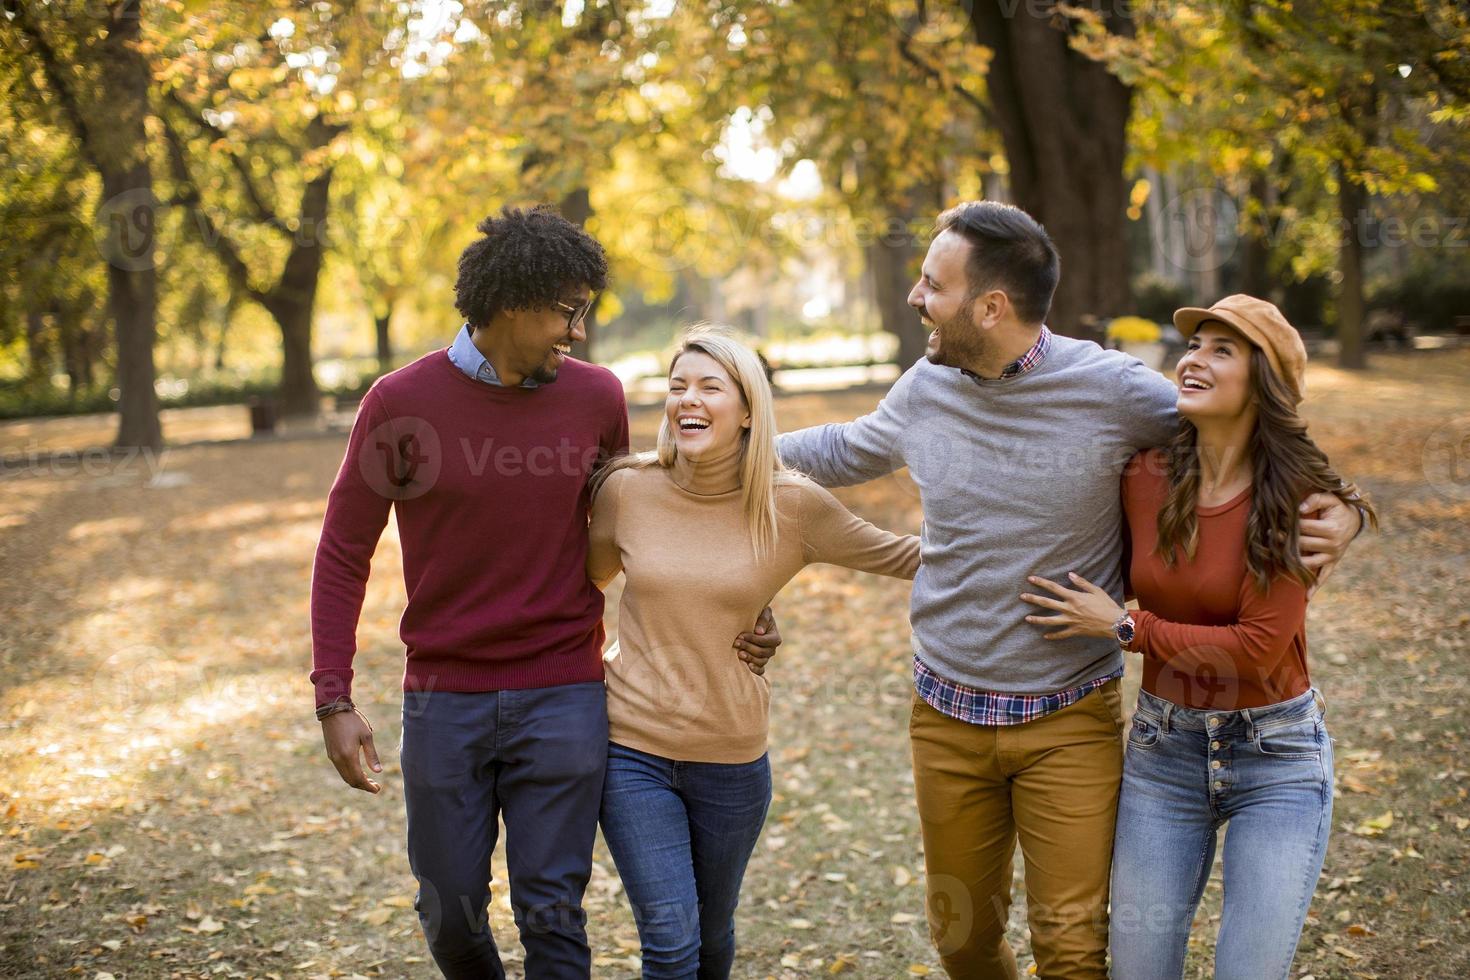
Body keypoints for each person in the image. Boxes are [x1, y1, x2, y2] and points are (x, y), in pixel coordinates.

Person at [773, 202, 1364, 979]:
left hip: (1069, 716)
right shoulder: (926, 388)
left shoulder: (1115, 391)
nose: (916, 297)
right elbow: (847, 448)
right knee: (964, 943)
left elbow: (1256, 427)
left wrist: (1345, 510)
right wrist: (730, 444)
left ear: (991, 307)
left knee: (1074, 951)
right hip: (946, 710)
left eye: (931, 284)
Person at [308, 206, 781, 980]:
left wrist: (747, 601)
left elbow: (646, 522)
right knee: (450, 908)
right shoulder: (398, 404)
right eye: (568, 311)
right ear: (511, 303)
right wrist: (334, 697)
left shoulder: (594, 397)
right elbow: (342, 552)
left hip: (564, 690)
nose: (578, 332)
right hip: (444, 698)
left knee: (553, 911)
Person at [1019, 295, 1375, 979]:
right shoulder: (1145, 476)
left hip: (1277, 758)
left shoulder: (1296, 498)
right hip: (1166, 752)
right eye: (1193, 345)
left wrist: (1127, 627)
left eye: (1221, 349)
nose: (1192, 359)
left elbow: (1256, 647)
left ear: (1263, 382)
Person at [586, 327, 920, 978]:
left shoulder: (791, 505)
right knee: (672, 944)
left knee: (712, 936)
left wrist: (1034, 550)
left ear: (747, 411)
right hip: (632, 752)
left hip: (733, 763)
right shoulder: (625, 491)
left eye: (711, 386)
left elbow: (906, 556)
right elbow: (581, 588)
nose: (689, 399)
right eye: (677, 386)